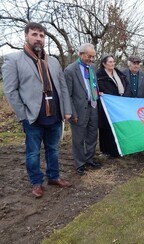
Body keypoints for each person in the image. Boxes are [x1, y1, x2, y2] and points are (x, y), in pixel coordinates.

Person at [2, 22, 72, 198]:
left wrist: (66, 110)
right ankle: (36, 183)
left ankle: (54, 177)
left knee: (53, 149)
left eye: (41, 36)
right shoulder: (13, 60)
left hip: (54, 115)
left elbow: (62, 88)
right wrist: (24, 116)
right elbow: (10, 91)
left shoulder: (54, 61)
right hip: (32, 118)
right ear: (26, 36)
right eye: (34, 34)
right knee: (33, 152)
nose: (38, 38)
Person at [64, 43, 102, 176]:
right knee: (78, 139)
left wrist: (98, 93)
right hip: (78, 111)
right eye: (89, 56)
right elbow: (67, 94)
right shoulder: (70, 70)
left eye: (93, 57)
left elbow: (93, 85)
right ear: (80, 54)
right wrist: (71, 113)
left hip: (93, 107)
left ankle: (89, 159)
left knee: (92, 136)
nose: (91, 59)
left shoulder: (92, 67)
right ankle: (80, 163)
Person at [97, 53, 131, 157]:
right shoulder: (99, 75)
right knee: (106, 129)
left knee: (117, 126)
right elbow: (101, 89)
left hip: (119, 105)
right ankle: (106, 151)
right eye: (110, 62)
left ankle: (117, 150)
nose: (112, 64)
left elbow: (126, 85)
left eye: (113, 62)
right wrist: (112, 97)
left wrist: (124, 96)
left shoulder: (119, 74)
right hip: (106, 106)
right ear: (104, 64)